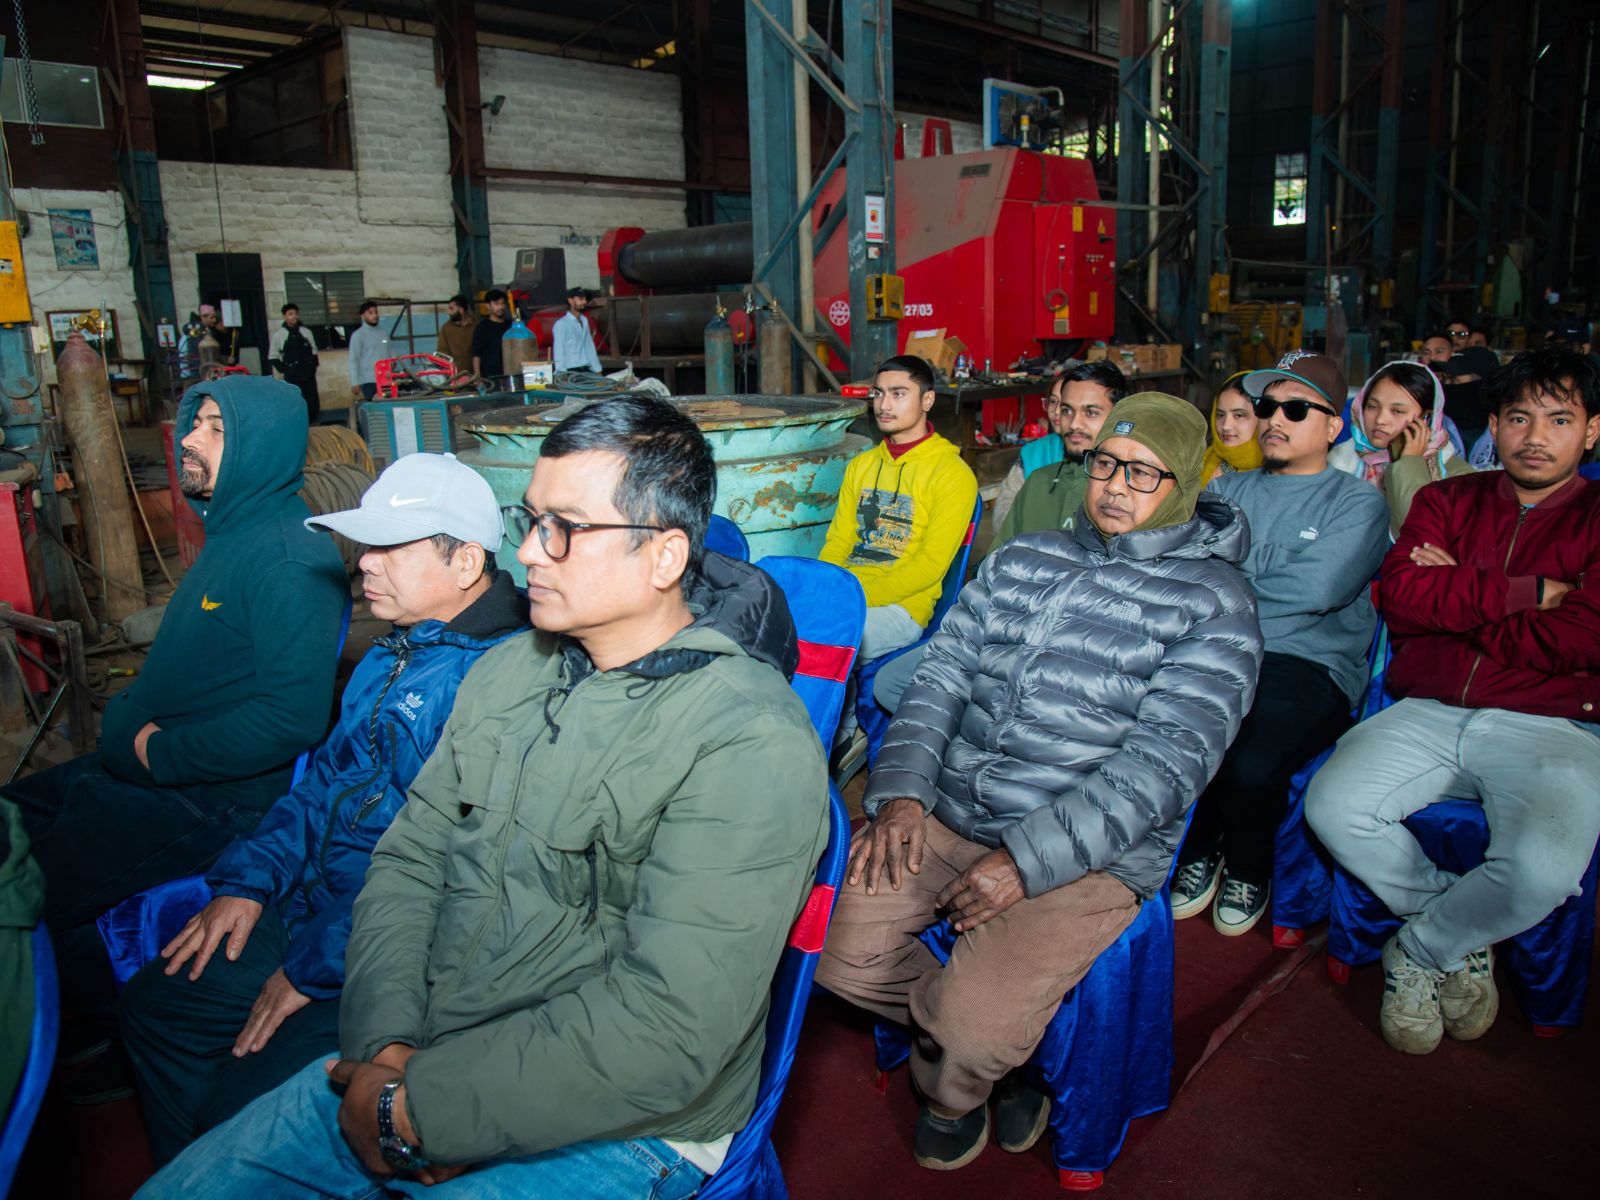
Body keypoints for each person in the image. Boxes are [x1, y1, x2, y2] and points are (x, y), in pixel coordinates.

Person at [136, 396, 830, 1200]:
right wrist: (385, 1047)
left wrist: (428, 1108)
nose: (528, 550)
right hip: (434, 1048)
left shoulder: (748, 738)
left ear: (664, 556)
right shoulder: (508, 672)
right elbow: (407, 864)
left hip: (625, 1124)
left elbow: (670, 1027)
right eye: (530, 519)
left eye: (565, 528)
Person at [815, 393, 1262, 1171]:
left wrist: (1024, 862)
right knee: (825, 945)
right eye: (1106, 464)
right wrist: (904, 794)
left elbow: (1162, 768)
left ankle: (958, 1086)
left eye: (1144, 474)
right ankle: (1003, 1058)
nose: (1115, 486)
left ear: (1185, 485)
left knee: (972, 1030)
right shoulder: (1025, 558)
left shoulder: (1214, 604)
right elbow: (939, 679)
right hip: (953, 809)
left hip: (1086, 851)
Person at [118, 454, 529, 1165]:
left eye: (389, 548)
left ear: (465, 562)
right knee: (158, 1008)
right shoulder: (390, 654)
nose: (364, 563)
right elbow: (319, 788)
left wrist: (312, 968)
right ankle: (193, 1173)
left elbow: (453, 874)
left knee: (243, 1109)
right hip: (315, 906)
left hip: (395, 950)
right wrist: (251, 881)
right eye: (366, 545)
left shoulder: (501, 685)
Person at [1, 378, 347, 1064]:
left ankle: (96, 1037)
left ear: (260, 448)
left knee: (23, 887)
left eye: (216, 429)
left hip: (210, 796)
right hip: (143, 764)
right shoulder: (233, 531)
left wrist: (160, 754)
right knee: (10, 820)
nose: (189, 439)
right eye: (196, 422)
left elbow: (291, 718)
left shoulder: (287, 560)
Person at [1306, 345, 1600, 1055]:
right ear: (1492, 427)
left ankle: (1422, 947)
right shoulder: (1444, 499)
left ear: (1592, 431)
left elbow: (1584, 639)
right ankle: (1459, 933)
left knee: (1542, 873)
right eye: (1519, 418)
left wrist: (1459, 600)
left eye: (1559, 420)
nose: (1535, 437)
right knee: (1333, 807)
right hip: (1430, 710)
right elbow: (1406, 600)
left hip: (1552, 724)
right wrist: (1530, 592)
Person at [1171, 351, 1390, 934]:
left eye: (1295, 409)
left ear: (1334, 426)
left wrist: (1238, 565)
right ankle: (1201, 843)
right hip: (1218, 645)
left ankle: (1246, 862)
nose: (1274, 420)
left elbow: (1318, 589)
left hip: (1308, 660)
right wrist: (1272, 563)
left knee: (1249, 759)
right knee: (1164, 730)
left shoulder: (1357, 501)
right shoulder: (1229, 489)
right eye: (1267, 407)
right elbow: (1190, 571)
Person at [820, 355, 978, 662]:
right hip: (845, 595)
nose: (884, 405)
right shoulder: (861, 465)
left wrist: (853, 595)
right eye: (879, 393)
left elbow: (929, 566)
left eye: (898, 394)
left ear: (927, 400)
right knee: (778, 624)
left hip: (901, 609)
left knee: (826, 639)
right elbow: (838, 540)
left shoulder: (952, 474)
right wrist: (825, 585)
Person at [1330, 361, 1472, 535]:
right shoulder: (1339, 460)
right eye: (1372, 406)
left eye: (1397, 411)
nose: (1380, 419)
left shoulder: (1458, 478)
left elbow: (1419, 532)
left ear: (1426, 419)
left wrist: (1409, 463)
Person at [989, 361, 1127, 529]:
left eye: (1090, 412)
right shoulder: (1033, 455)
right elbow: (1004, 522)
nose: (1073, 423)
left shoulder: (1128, 469)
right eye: (1065, 409)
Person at [1202, 370, 1263, 484]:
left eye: (1239, 415)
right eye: (1220, 415)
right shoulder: (1202, 462)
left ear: (1264, 418)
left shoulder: (1278, 475)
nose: (1226, 426)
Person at [268, 303, 321, 422]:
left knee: (312, 405)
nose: (294, 316)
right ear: (285, 316)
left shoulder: (306, 332)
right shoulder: (279, 335)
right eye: (290, 314)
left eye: (296, 314)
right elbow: (273, 356)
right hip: (292, 377)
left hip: (308, 376)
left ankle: (314, 426)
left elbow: (314, 351)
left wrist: (312, 366)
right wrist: (285, 369)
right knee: (296, 404)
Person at [347, 300, 391, 403]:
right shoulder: (358, 335)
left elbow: (389, 350)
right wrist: (355, 382)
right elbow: (353, 360)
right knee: (374, 409)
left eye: (376, 312)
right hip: (369, 382)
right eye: (370, 313)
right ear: (363, 316)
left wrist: (393, 361)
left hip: (385, 379)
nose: (375, 315)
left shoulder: (383, 333)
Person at [552, 286, 603, 373]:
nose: (584, 302)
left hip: (585, 368)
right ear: (570, 301)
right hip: (571, 369)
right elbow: (558, 350)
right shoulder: (561, 324)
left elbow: (589, 346)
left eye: (585, 299)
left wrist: (598, 369)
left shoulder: (584, 320)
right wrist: (561, 372)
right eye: (580, 299)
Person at [470, 287, 512, 382]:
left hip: (509, 376)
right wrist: (478, 378)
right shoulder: (482, 328)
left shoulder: (510, 326)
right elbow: (476, 354)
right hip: (489, 379)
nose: (500, 307)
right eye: (496, 304)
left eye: (502, 303)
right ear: (488, 306)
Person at [434, 293, 478, 372]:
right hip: (455, 375)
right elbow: (442, 352)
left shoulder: (476, 326)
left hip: (476, 374)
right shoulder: (446, 328)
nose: (448, 312)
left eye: (451, 309)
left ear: (461, 310)